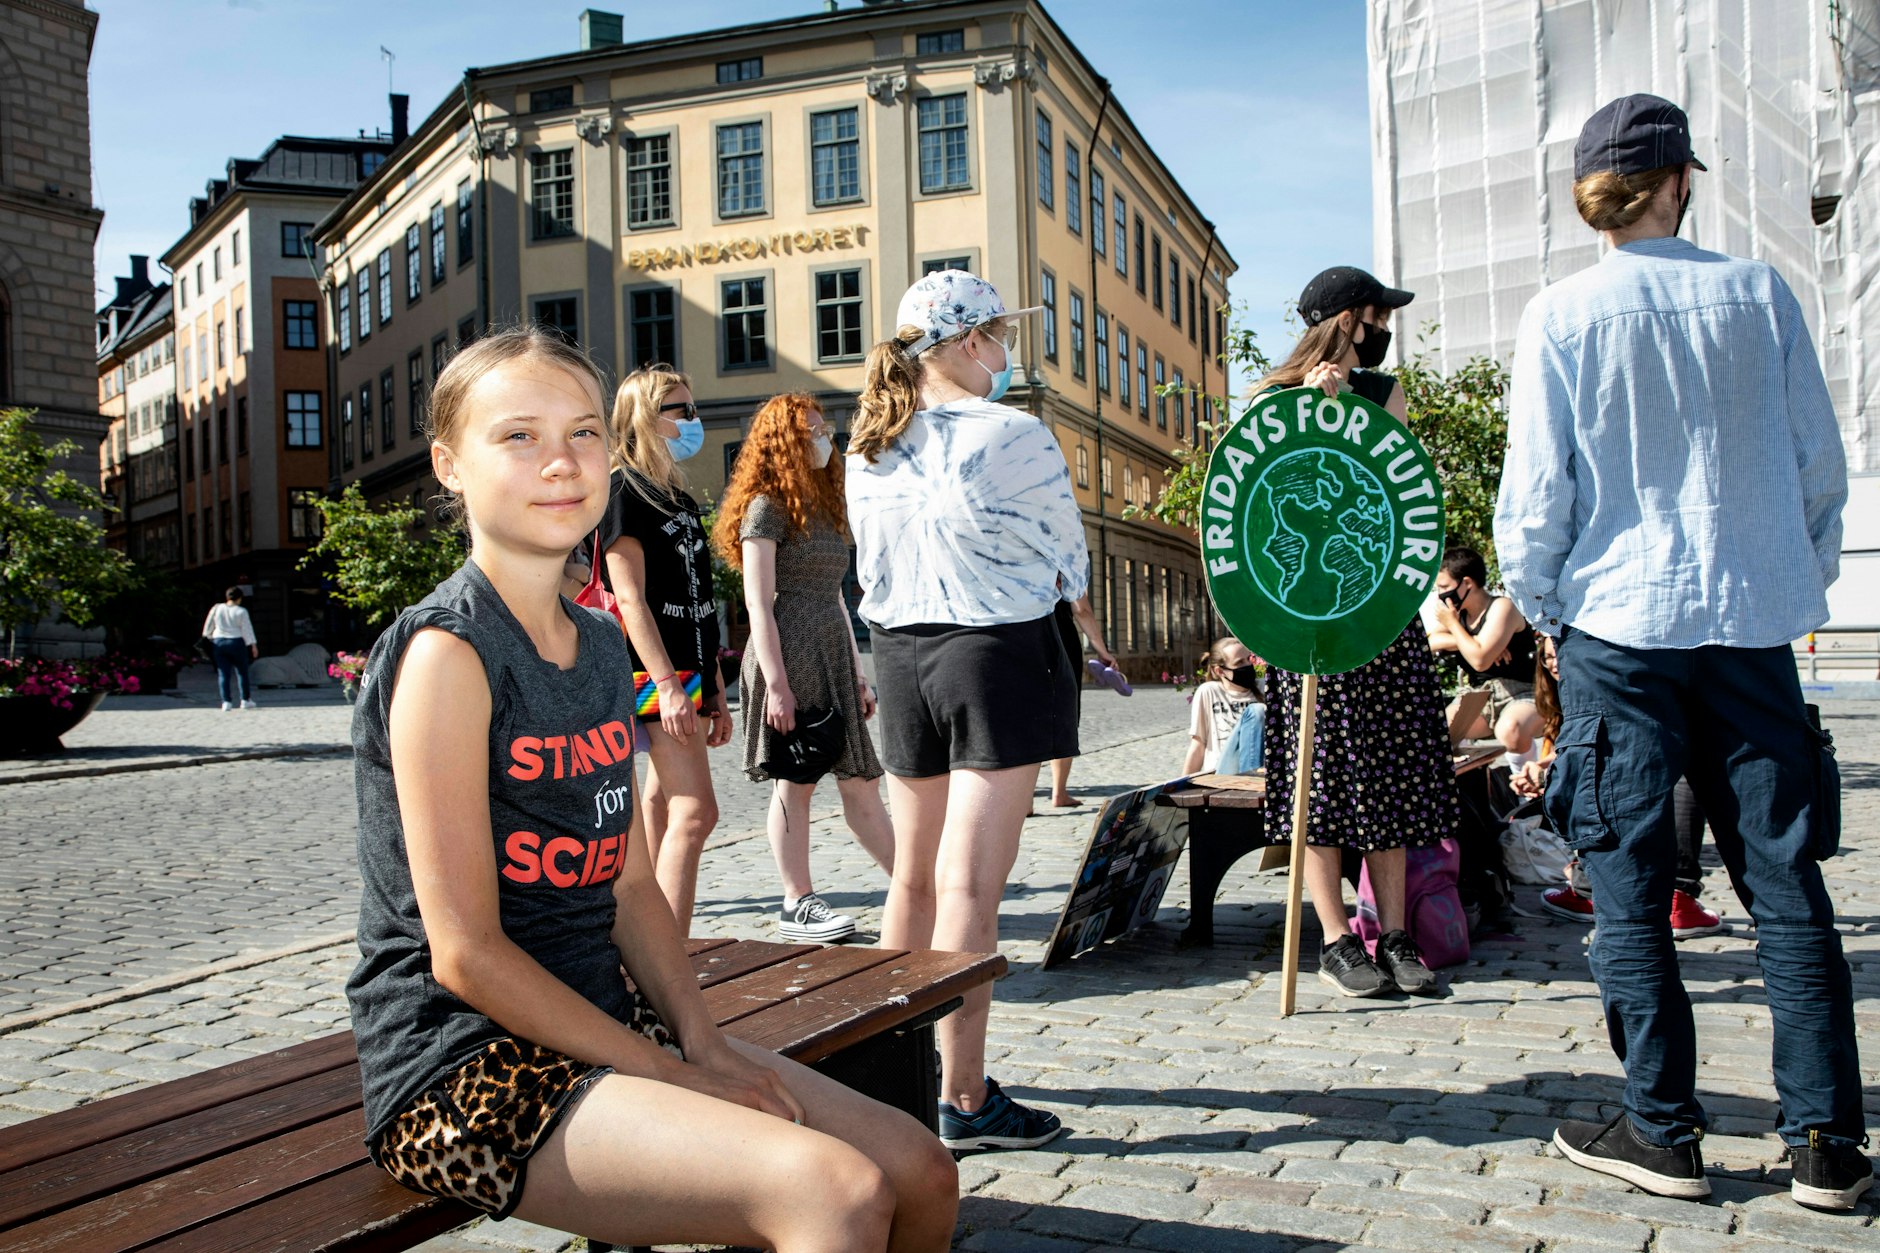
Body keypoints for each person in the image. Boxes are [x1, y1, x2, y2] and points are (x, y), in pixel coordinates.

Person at [343, 327, 955, 1252]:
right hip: (462, 1066)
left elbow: (628, 884)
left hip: (602, 1021)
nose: (561, 461)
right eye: (518, 436)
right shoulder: (448, 653)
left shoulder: (596, 644)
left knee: (919, 1170)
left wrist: (701, 1043)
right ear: (449, 464)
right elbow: (464, 955)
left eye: (584, 432)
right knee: (834, 1195)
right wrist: (671, 1074)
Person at [1496, 94, 1867, 1210]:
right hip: (1749, 622)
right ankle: (1825, 1146)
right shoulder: (1756, 293)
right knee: (1783, 881)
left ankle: (1664, 1130)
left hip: (1619, 624)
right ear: (1676, 182)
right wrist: (1791, 578)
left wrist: (1554, 612)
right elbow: (1816, 463)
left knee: (1626, 885)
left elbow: (1533, 500)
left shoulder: (1560, 314)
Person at [847, 269, 1084, 1152]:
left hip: (903, 654)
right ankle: (963, 1092)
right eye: (997, 333)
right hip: (994, 650)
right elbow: (1070, 561)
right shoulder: (1012, 432)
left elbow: (868, 566)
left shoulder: (868, 442)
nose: (1004, 349)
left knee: (911, 877)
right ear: (969, 340)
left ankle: (887, 1072)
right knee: (970, 887)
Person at [1253, 265, 1458, 1000]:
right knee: (1320, 781)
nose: (1383, 330)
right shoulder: (1273, 400)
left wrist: (1352, 420)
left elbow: (1396, 487)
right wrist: (1308, 420)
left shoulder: (1383, 392)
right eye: (1376, 316)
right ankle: (1337, 938)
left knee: (1391, 774)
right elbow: (1256, 498)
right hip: (1307, 623)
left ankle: (1395, 932)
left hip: (1377, 611)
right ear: (1347, 318)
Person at [712, 393, 894, 944]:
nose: (824, 440)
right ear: (783, 442)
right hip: (786, 654)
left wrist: (857, 673)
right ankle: (797, 902)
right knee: (796, 782)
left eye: (824, 430)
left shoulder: (824, 505)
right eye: (811, 432)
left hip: (830, 654)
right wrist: (777, 685)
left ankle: (915, 885)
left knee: (861, 779)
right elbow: (759, 604)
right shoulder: (765, 506)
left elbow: (838, 598)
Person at [599, 365, 732, 936]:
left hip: (688, 671)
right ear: (648, 418)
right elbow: (629, 599)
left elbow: (700, 601)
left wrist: (717, 691)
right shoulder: (623, 490)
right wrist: (672, 688)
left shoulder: (675, 494)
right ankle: (668, 955)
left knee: (657, 805)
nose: (693, 420)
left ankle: (645, 944)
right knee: (696, 811)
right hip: (653, 673)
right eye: (682, 409)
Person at [1510, 636, 1727, 938]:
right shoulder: (1558, 686)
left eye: (1556, 655)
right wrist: (1544, 767)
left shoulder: (1588, 667)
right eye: (1547, 658)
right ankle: (1661, 893)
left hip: (1638, 660)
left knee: (1646, 766)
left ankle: (1620, 892)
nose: (1554, 663)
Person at [1428, 546, 1537, 751]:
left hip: (1520, 692)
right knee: (1438, 735)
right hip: (1478, 696)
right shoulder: (1459, 614)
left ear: (1467, 583)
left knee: (1510, 730)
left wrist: (1453, 627)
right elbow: (1432, 641)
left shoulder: (1502, 607)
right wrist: (1473, 639)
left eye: (1444, 587)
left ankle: (1526, 778)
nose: (1440, 595)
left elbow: (1480, 659)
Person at [1035, 588, 1118, 810]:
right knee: (1063, 714)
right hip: (1060, 641)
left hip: (1022, 640)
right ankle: (1059, 792)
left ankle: (1025, 802)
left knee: (1031, 717)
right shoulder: (1064, 558)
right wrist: (1102, 650)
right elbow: (1082, 610)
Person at [1182, 637, 1261, 775]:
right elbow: (1198, 744)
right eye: (1240, 662)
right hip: (1222, 771)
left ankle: (1252, 775)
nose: (1248, 665)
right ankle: (1251, 777)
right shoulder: (1209, 691)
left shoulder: (1265, 687)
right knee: (1258, 710)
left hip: (1260, 767)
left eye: (1248, 659)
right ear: (1219, 671)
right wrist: (1180, 786)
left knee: (1259, 711)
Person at [202, 586, 257, 711]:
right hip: (236, 641)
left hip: (219, 642)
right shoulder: (241, 611)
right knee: (242, 672)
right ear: (239, 598)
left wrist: (210, 637)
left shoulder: (217, 608)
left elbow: (208, 626)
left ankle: (226, 702)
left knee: (223, 674)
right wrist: (252, 645)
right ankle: (245, 700)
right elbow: (247, 629)